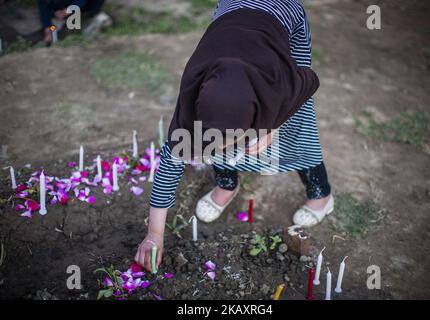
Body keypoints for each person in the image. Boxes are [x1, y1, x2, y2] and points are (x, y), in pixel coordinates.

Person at [135, 0, 333, 272]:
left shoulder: (280, 82)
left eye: (229, 142)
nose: (217, 147)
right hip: (232, 11)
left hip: (284, 15)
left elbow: (310, 79)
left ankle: (321, 195)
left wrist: (272, 126)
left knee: (297, 123)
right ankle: (227, 185)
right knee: (221, 135)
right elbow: (171, 163)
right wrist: (154, 233)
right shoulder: (193, 94)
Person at [37, 0, 109, 44]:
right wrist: (47, 28)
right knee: (54, 29)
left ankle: (94, 18)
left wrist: (68, 10)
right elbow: (43, 8)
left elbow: (81, 0)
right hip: (60, 13)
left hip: (83, 7)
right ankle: (57, 35)